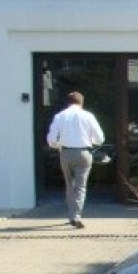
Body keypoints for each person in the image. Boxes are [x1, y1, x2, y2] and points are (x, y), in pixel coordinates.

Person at [46, 91, 105, 229]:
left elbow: (51, 140)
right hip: (84, 153)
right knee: (80, 186)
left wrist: (58, 144)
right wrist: (91, 141)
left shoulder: (60, 116)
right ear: (81, 102)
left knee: (69, 184)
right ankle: (75, 215)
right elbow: (100, 139)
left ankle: (72, 214)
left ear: (68, 102)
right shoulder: (88, 116)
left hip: (66, 153)